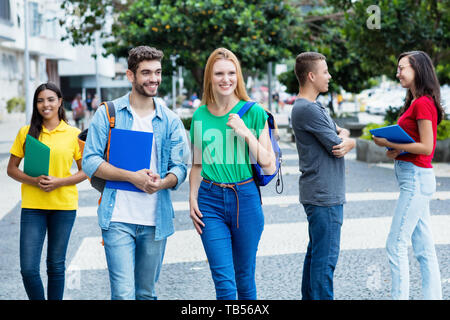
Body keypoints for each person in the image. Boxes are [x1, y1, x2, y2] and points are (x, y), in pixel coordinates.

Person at [81, 46, 190, 300]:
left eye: (158, 72)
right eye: (146, 72)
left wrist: (162, 183)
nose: (154, 78)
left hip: (155, 221)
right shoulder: (109, 113)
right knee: (123, 294)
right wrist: (132, 177)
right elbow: (90, 161)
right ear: (131, 76)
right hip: (117, 217)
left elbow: (180, 167)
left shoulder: (170, 120)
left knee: (145, 293)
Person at [189, 48, 276, 300]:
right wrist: (192, 199)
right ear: (210, 77)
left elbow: (269, 165)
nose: (225, 79)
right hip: (209, 200)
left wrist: (245, 132)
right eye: (219, 73)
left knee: (244, 279)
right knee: (225, 285)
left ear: (238, 76)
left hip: (245, 199)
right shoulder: (199, 115)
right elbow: (196, 164)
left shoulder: (254, 112)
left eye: (231, 73)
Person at [372, 51, 444, 300]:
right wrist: (396, 149)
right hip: (415, 177)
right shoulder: (417, 102)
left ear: (418, 70)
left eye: (402, 68)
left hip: (416, 179)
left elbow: (427, 147)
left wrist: (391, 144)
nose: (398, 73)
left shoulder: (423, 103)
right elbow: (417, 145)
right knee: (424, 249)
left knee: (395, 244)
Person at [7, 82, 87, 300]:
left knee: (55, 266)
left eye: (50, 99)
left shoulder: (74, 134)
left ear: (60, 102)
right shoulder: (26, 132)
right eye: (40, 100)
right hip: (33, 207)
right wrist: (33, 180)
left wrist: (59, 182)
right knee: (29, 269)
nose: (45, 105)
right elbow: (11, 169)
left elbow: (86, 171)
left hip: (63, 207)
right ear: (36, 104)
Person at [290, 52, 355, 300]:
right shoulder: (307, 109)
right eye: (325, 72)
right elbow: (337, 144)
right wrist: (349, 143)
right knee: (325, 262)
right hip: (324, 195)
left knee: (317, 256)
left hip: (322, 193)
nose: (329, 76)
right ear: (311, 76)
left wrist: (346, 139)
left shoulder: (316, 106)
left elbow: (341, 133)